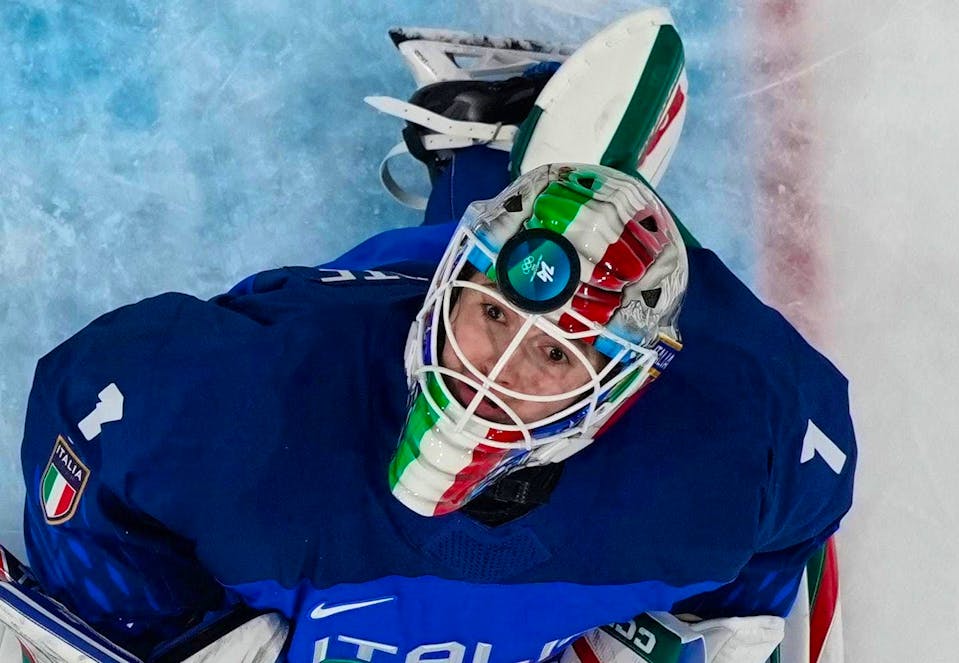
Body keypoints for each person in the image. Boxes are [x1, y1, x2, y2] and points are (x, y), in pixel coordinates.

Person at [8, 9, 856, 663]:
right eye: (489, 314)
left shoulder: (722, 443)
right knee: (528, 262)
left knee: (573, 265)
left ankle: (531, 159)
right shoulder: (257, 405)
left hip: (657, 332)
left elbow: (811, 480)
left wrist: (714, 620)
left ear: (622, 385)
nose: (495, 370)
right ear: (457, 285)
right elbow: (82, 415)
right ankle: (503, 153)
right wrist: (162, 623)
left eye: (554, 355)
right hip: (355, 313)